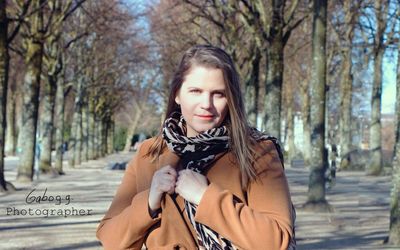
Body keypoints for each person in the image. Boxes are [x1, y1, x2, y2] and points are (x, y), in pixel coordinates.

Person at [96, 45, 296, 250]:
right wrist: (149, 201)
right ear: (177, 94)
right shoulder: (149, 153)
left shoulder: (258, 151)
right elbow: (110, 239)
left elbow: (276, 240)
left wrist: (205, 197)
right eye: (195, 91)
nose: (206, 104)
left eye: (218, 94)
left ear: (231, 100)